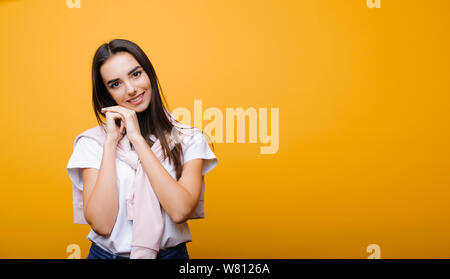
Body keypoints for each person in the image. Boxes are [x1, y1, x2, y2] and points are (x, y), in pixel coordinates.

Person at [66, 39, 218, 259]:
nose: (131, 89)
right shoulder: (92, 143)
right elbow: (101, 223)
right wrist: (110, 143)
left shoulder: (189, 138)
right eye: (115, 84)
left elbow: (179, 210)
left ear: (149, 75)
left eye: (136, 74)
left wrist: (137, 138)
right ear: (107, 94)